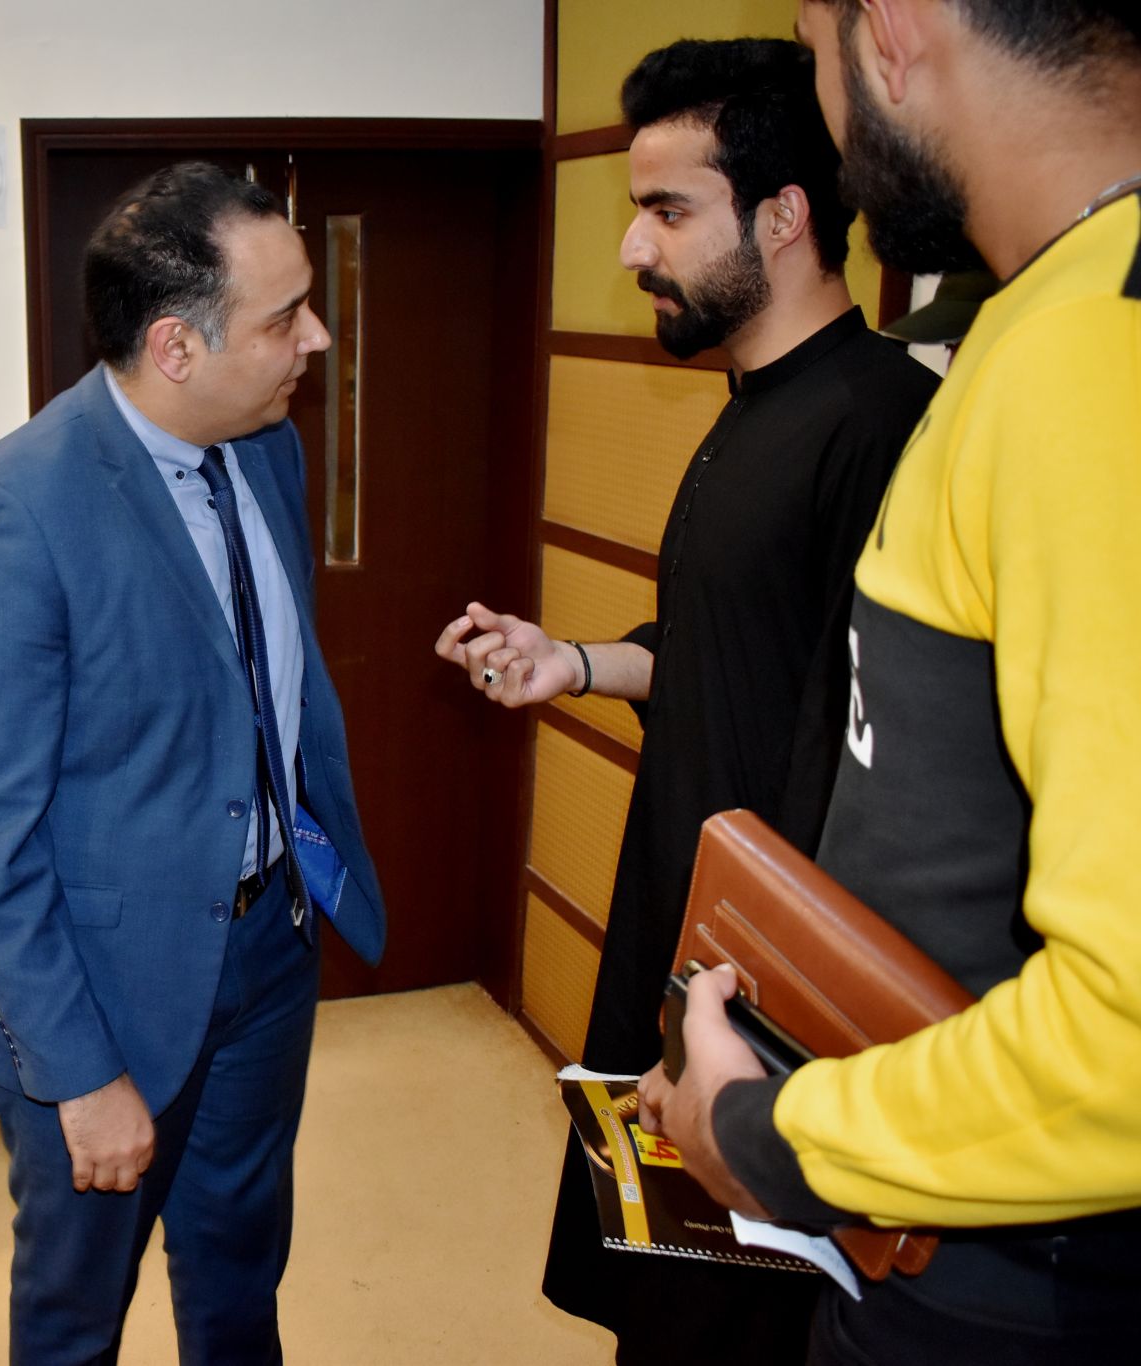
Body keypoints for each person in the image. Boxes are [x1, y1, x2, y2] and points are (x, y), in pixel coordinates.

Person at [646, 2, 1141, 1361]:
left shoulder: (1090, 351)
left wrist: (771, 1136)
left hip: (1016, 1284)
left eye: (819, 48)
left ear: (896, 33)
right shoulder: (1042, 318)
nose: (831, 98)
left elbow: (1123, 1026)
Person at [436, 39, 938, 1366]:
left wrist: (756, 1022)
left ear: (782, 216)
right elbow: (741, 652)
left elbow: (866, 752)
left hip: (764, 989)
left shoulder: (878, 423)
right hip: (684, 932)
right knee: (662, 1300)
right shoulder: (748, 404)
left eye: (667, 210)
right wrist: (574, 662)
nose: (632, 249)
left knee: (737, 1323)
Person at [0, 161, 386, 1362]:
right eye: (284, 317)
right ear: (175, 346)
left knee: (238, 1275)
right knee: (76, 1315)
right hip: (100, 990)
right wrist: (79, 1075)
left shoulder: (265, 450)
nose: (317, 339)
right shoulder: (11, 513)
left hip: (267, 945)